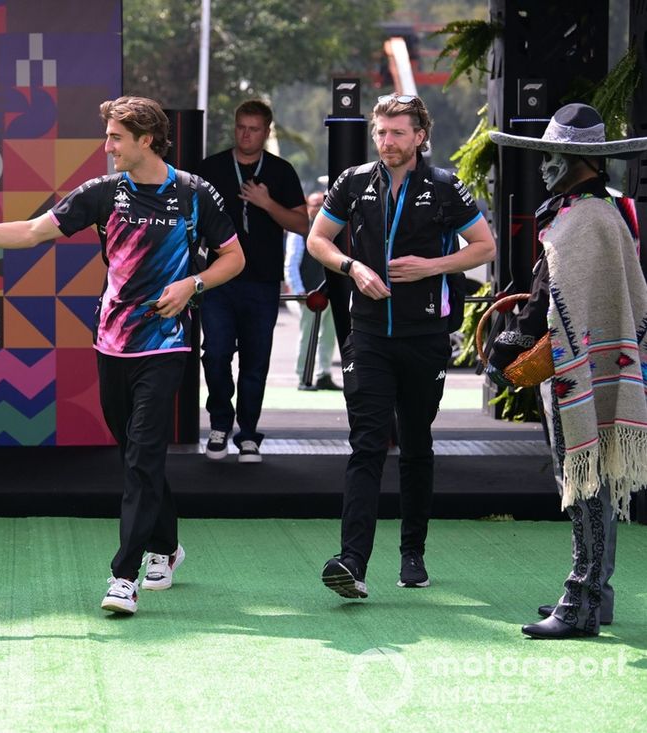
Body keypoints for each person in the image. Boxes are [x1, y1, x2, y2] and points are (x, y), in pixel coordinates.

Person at [0, 96, 244, 615]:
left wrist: (193, 283)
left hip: (167, 342)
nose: (107, 146)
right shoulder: (102, 193)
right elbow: (31, 232)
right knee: (136, 455)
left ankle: (124, 576)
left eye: (116, 137)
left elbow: (235, 256)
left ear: (145, 139)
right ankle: (168, 546)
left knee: (142, 454)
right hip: (112, 342)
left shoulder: (192, 193)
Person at [307, 93, 495, 598]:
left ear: (419, 136)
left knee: (415, 444)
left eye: (397, 133)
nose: (387, 141)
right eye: (381, 132)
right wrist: (352, 267)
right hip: (367, 335)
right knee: (367, 443)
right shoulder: (352, 181)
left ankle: (413, 552)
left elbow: (485, 247)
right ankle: (352, 563)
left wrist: (431, 266)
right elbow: (317, 240)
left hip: (425, 337)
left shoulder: (443, 186)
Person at [486, 103, 647, 638]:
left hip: (577, 370)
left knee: (583, 480)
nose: (544, 165)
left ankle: (579, 601)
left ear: (577, 159)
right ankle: (595, 593)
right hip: (600, 363)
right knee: (594, 477)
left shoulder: (583, 219)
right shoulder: (605, 212)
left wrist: (509, 345)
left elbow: (553, 301)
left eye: (552, 154)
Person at [195, 100, 308, 462]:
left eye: (254, 129)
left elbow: (302, 225)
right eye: (241, 127)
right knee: (215, 355)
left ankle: (248, 433)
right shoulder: (210, 168)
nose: (245, 134)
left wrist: (266, 203)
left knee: (256, 360)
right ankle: (219, 425)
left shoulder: (281, 171)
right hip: (216, 280)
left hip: (262, 281)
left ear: (267, 131)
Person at [284, 191, 339, 391]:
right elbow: (291, 264)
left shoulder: (333, 227)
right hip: (309, 294)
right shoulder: (300, 230)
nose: (319, 207)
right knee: (307, 335)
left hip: (330, 292)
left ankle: (323, 374)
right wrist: (300, 293)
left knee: (328, 336)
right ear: (308, 207)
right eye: (315, 204)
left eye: (322, 203)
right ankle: (303, 377)